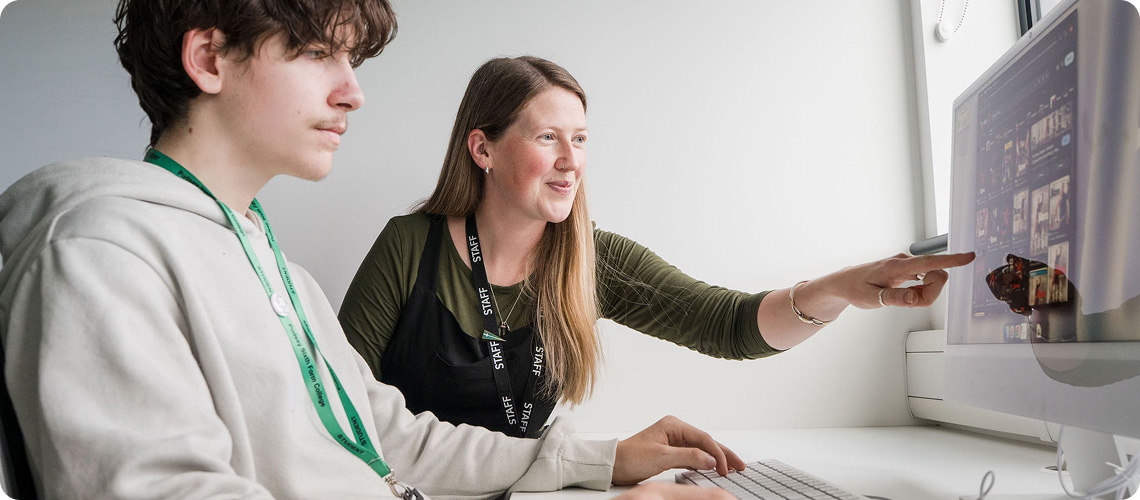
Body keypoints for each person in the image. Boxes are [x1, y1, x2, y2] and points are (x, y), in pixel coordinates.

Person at [0, 2, 744, 499]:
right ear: (209, 58)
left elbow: (390, 438)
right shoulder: (99, 252)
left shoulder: (276, 271)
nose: (353, 92)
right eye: (319, 52)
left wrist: (600, 464)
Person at [338, 56, 976, 438]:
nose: (570, 163)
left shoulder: (592, 258)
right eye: (547, 138)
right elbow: (336, 415)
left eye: (581, 140)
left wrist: (838, 288)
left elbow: (726, 325)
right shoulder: (409, 247)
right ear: (483, 149)